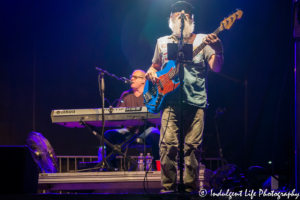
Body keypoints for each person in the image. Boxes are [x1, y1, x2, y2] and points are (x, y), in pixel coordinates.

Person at [145, 1, 224, 193]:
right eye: (177, 14)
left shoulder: (203, 40)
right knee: (167, 146)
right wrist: (150, 72)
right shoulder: (162, 42)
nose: (182, 16)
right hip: (169, 101)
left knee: (192, 148)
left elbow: (216, 67)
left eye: (186, 14)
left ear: (192, 19)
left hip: (195, 102)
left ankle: (190, 190)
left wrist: (219, 49)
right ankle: (168, 189)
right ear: (171, 18)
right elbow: (154, 67)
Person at [104, 69, 160, 169]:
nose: (131, 79)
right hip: (128, 131)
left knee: (156, 134)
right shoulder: (125, 95)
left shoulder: (151, 94)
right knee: (108, 135)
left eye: (135, 77)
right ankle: (111, 168)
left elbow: (156, 113)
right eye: (131, 76)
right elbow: (119, 116)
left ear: (144, 80)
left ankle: (158, 167)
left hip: (146, 130)